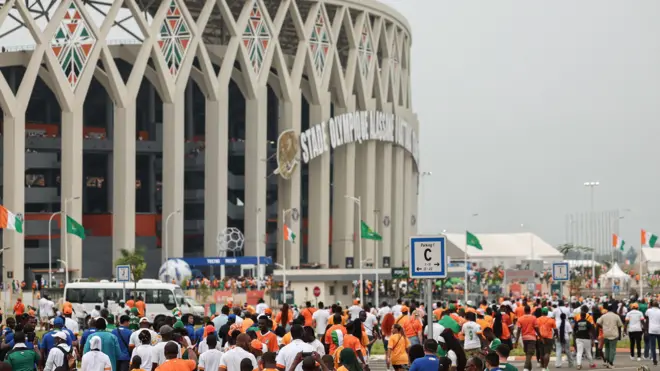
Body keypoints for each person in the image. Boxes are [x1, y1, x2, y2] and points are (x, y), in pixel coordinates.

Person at [597, 303, 623, 368]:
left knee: (607, 348)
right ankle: (611, 363)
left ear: (607, 309)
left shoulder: (603, 316)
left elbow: (598, 323)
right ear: (613, 309)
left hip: (605, 334)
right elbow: (619, 326)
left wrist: (603, 327)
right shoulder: (616, 316)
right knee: (612, 349)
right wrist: (619, 335)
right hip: (614, 334)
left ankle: (607, 362)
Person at [514, 305, 539, 371]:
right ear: (530, 310)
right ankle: (525, 368)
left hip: (524, 339)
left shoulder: (520, 319)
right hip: (532, 338)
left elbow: (518, 330)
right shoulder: (534, 318)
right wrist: (540, 336)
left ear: (524, 311)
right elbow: (536, 328)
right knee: (529, 354)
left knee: (528, 354)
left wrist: (516, 341)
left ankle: (529, 369)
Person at [645, 300, 660, 365]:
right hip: (659, 330)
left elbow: (646, 316)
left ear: (652, 305)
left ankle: (654, 360)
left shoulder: (649, 310)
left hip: (651, 330)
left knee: (653, 346)